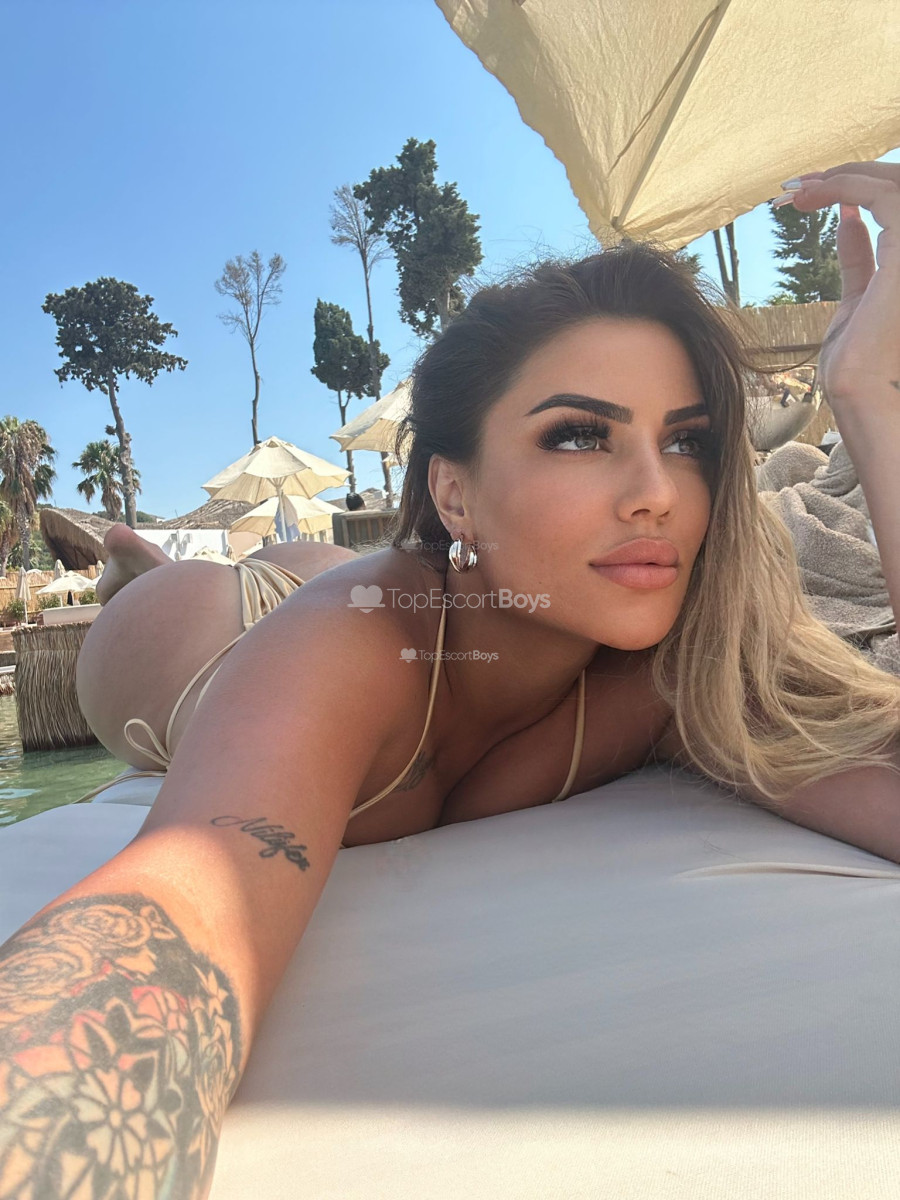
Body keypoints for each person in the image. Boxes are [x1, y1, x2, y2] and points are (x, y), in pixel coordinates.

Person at [3, 159, 900, 1200]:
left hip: (418, 588)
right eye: (580, 435)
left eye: (687, 442)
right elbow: (186, 897)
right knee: (203, 600)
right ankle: (138, 564)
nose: (657, 493)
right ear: (454, 490)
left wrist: (869, 402)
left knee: (343, 582)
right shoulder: (350, 651)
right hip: (206, 636)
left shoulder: (675, 676)